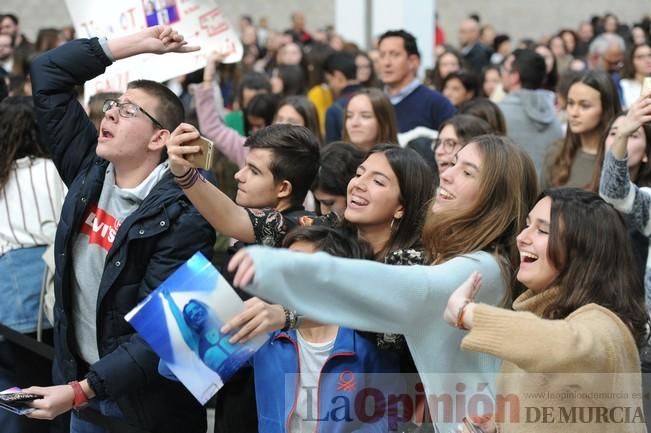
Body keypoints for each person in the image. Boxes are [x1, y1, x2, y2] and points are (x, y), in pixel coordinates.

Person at [227, 134, 539, 428]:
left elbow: (401, 290)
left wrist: (286, 270)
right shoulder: (449, 255)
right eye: (453, 162)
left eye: (468, 172)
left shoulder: (483, 266)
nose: (447, 173)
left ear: (495, 197)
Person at [25, 26, 216, 433]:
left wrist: (80, 391)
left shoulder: (187, 212)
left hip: (147, 408)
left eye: (128, 111)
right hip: (83, 392)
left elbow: (161, 335)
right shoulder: (89, 170)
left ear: (159, 139)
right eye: (114, 104)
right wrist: (132, 47)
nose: (109, 113)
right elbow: (46, 72)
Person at [444, 188, 648, 433]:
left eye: (542, 230)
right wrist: (499, 424)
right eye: (527, 225)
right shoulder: (541, 319)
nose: (521, 237)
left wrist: (468, 314)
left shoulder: (606, 327)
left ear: (582, 253)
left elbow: (564, 345)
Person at [0, 96, 67, 433]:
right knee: (54, 386)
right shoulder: (56, 169)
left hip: (9, 296)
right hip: (55, 289)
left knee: (16, 390)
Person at [542, 70, 620, 189]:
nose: (574, 113)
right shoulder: (556, 152)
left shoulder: (619, 158)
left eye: (585, 105)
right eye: (570, 103)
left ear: (605, 109)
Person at [499, 48, 563, 176]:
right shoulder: (555, 118)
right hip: (545, 193)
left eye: (504, 70)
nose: (502, 74)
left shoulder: (497, 113)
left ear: (514, 77)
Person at [378, 29, 456, 135]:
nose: (386, 63)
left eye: (394, 55)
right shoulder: (373, 101)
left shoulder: (436, 103)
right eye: (382, 55)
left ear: (413, 61)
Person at [341, 88, 398, 152]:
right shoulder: (336, 159)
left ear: (384, 121)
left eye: (365, 116)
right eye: (349, 116)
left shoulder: (401, 160)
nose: (354, 123)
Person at [323, 51, 363, 143]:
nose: (330, 86)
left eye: (329, 80)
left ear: (338, 76)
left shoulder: (334, 109)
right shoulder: (377, 98)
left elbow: (332, 150)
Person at [620, 43, 651, 110]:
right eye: (640, 57)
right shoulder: (623, 85)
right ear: (631, 61)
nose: (648, 60)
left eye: (650, 55)